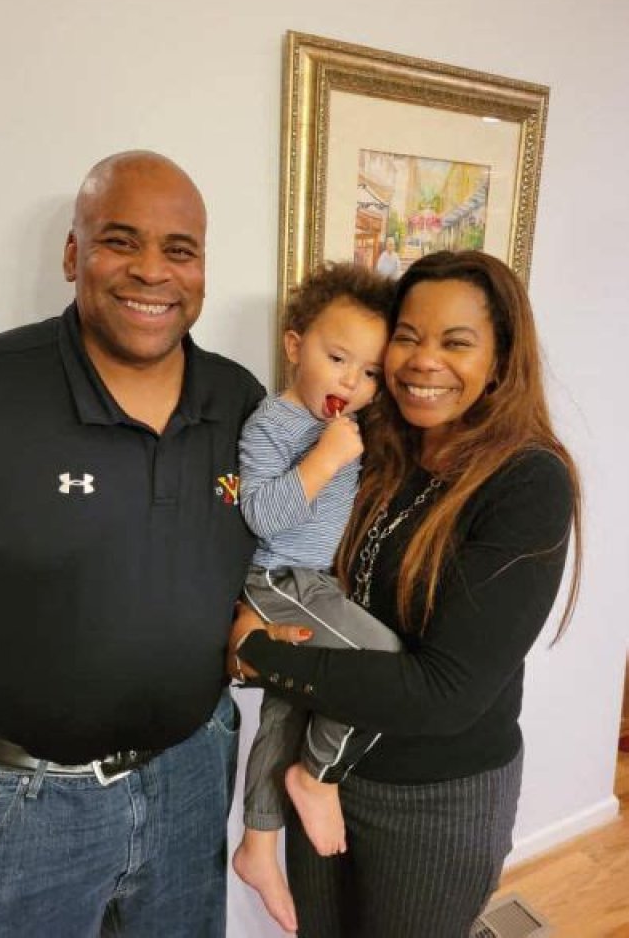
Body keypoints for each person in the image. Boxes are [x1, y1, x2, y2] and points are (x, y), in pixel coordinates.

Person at [0, 150, 264, 938]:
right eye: (119, 240)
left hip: (190, 779)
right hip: (12, 812)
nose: (152, 271)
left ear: (202, 269)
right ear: (73, 254)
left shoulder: (239, 401)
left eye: (180, 250)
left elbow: (252, 561)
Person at [229, 250, 582, 938]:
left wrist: (258, 655)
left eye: (456, 342)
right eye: (409, 337)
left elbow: (446, 692)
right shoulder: (376, 444)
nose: (424, 361)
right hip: (328, 767)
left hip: (433, 799)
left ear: (501, 360)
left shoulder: (527, 481)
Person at [231, 263, 401, 933]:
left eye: (369, 372)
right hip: (279, 579)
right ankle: (317, 776)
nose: (350, 382)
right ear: (294, 345)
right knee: (381, 661)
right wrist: (325, 460)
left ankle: (258, 843)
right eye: (337, 359)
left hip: (314, 582)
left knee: (289, 705)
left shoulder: (348, 425)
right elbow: (259, 514)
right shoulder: (273, 424)